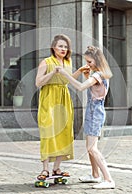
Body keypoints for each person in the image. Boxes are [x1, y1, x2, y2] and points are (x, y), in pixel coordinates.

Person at [56, 45, 115, 189]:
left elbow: (81, 87)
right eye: (87, 61)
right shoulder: (99, 74)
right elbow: (95, 88)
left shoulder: (98, 75)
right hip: (92, 111)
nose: (87, 64)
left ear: (97, 60)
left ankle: (108, 180)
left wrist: (65, 74)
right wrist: (87, 75)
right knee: (89, 147)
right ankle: (95, 175)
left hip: (95, 112)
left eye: (89, 62)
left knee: (92, 148)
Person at [35, 34, 88, 180]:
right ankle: (45, 169)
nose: (63, 49)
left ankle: (57, 168)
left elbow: (67, 80)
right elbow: (38, 83)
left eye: (65, 46)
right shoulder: (46, 62)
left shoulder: (68, 62)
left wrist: (79, 71)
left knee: (63, 132)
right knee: (48, 132)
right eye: (60, 46)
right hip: (49, 99)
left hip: (64, 98)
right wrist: (52, 72)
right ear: (53, 47)